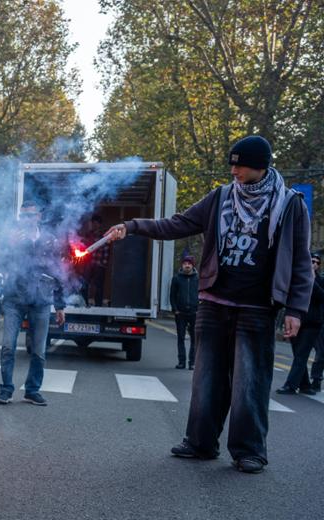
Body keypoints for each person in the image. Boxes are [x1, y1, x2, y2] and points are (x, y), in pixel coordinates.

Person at [105, 135, 313, 474]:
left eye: (239, 164)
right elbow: (179, 223)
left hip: (258, 308)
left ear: (259, 166)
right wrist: (132, 226)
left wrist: (296, 310)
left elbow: (302, 262)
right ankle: (200, 443)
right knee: (206, 379)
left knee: (250, 383)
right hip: (214, 302)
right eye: (231, 163)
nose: (233, 170)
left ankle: (249, 451)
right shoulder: (219, 197)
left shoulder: (290, 205)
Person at [0, 201, 66, 407]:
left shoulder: (50, 241)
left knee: (38, 350)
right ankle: (6, 390)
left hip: (41, 301)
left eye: (30, 215)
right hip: (14, 300)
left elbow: (57, 272)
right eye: (22, 216)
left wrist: (60, 305)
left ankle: (32, 390)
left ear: (38, 217)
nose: (25, 220)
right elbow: (0, 265)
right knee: (8, 346)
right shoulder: (10, 239)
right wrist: (12, 247)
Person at [276, 253, 324, 395]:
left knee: (301, 354)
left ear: (318, 266)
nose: (314, 263)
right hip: (295, 320)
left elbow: (322, 296)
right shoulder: (297, 278)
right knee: (298, 354)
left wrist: (312, 280)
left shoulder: (320, 280)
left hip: (312, 324)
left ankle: (290, 385)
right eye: (312, 261)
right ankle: (305, 385)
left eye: (317, 262)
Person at [170, 255, 199, 369]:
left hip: (194, 312)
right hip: (180, 313)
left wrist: (199, 309)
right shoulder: (176, 278)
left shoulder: (198, 278)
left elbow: (202, 295)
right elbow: (172, 296)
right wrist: (175, 310)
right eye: (185, 263)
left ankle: (192, 362)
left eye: (189, 263)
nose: (187, 265)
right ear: (182, 265)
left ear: (192, 265)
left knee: (194, 338)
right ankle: (181, 362)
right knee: (180, 337)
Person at [84, 214, 110, 306]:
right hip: (89, 264)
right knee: (85, 284)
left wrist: (103, 264)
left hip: (99, 264)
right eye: (93, 223)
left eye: (96, 223)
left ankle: (98, 304)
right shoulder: (89, 235)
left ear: (100, 224)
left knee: (98, 285)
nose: (95, 225)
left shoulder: (103, 235)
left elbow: (106, 249)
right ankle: (85, 303)